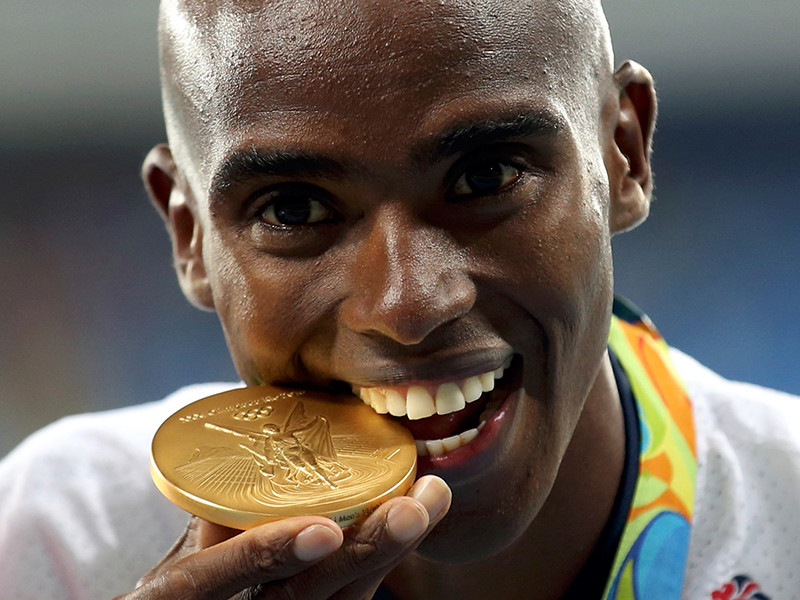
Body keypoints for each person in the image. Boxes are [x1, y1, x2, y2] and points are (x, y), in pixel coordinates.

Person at [1, 0, 799, 598]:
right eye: (293, 210)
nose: (407, 304)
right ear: (190, 236)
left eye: (486, 176)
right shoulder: (52, 541)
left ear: (623, 155)